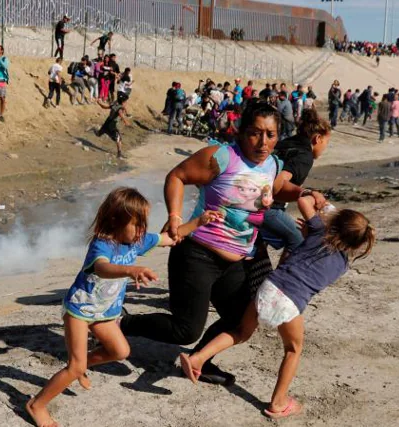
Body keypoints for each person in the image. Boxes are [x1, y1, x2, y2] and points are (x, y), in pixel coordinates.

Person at [120, 103, 327, 386]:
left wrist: (304, 191)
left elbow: (277, 189)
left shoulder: (272, 164)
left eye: (270, 134)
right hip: (196, 253)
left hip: (237, 258)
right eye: (255, 133)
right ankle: (122, 324)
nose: (263, 142)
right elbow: (177, 176)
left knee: (240, 319)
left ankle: (200, 361)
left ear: (278, 136)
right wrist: (175, 216)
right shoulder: (222, 157)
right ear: (242, 132)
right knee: (185, 329)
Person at [25, 187, 224, 427]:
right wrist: (131, 270)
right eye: (136, 224)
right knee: (75, 366)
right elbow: (101, 268)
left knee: (120, 352)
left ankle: (80, 366)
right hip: (80, 310)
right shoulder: (103, 245)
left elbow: (171, 238)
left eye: (144, 224)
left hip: (105, 312)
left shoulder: (137, 242)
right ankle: (37, 404)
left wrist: (199, 222)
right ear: (114, 221)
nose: (142, 231)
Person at [180, 200, 374, 419]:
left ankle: (198, 358)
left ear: (334, 222)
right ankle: (278, 402)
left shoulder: (317, 230)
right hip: (290, 302)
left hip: (269, 286)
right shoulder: (342, 264)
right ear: (358, 244)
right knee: (293, 350)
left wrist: (321, 205)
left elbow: (304, 201)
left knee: (241, 332)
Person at [260, 109, 331, 256]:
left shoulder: (286, 143)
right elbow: (279, 181)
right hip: (267, 207)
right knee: (298, 239)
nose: (325, 148)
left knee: (260, 246)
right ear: (317, 138)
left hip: (250, 198)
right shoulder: (305, 156)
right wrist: (306, 193)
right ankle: (282, 278)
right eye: (326, 143)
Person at [94, 94, 130, 158]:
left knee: (98, 134)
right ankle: (119, 154)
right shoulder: (120, 108)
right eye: (126, 101)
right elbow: (121, 114)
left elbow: (104, 107)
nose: (126, 103)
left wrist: (99, 103)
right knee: (119, 139)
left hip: (107, 122)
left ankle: (94, 129)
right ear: (123, 102)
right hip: (111, 126)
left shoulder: (114, 104)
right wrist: (125, 121)